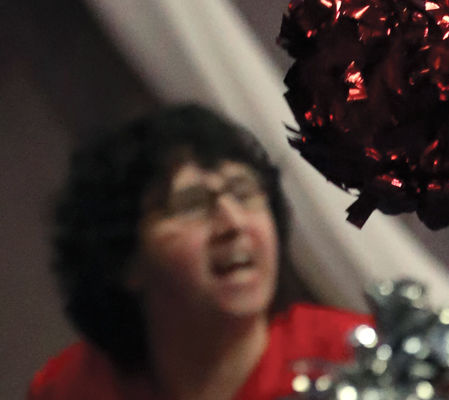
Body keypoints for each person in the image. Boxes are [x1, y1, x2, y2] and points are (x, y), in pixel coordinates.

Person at [29, 105, 370, 399]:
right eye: (191, 204)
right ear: (124, 259)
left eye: (244, 192)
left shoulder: (360, 363)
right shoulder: (70, 390)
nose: (233, 223)